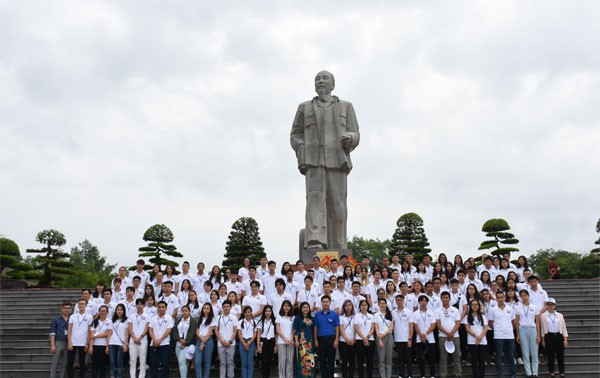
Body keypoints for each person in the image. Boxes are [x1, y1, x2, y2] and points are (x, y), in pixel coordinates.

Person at [290, 70, 360, 250]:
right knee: (314, 200)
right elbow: (295, 135)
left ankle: (339, 243)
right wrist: (302, 149)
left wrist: (350, 138)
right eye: (317, 79)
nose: (320, 81)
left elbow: (355, 132)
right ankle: (315, 240)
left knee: (338, 203)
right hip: (313, 160)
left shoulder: (345, 106)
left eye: (324, 78)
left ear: (332, 84)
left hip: (337, 159)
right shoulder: (304, 107)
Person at [488, 291, 517, 378]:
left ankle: (513, 374)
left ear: (504, 298)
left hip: (509, 335)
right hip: (498, 335)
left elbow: (513, 322)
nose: (500, 299)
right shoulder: (493, 310)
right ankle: (500, 374)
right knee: (499, 355)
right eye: (498, 297)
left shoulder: (510, 309)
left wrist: (509, 329)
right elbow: (490, 322)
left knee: (511, 356)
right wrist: (496, 329)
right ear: (496, 299)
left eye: (502, 297)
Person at [436, 291, 462, 378]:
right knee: (443, 358)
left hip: (455, 336)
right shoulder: (438, 310)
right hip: (442, 336)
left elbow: (458, 323)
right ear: (441, 299)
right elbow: (438, 324)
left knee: (457, 357)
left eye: (447, 297)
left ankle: (458, 374)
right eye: (443, 297)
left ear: (450, 299)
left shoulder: (455, 310)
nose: (445, 299)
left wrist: (452, 333)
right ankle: (443, 375)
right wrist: (447, 333)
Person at [515, 290, 541, 378]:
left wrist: (538, 335)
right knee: (525, 353)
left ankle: (535, 373)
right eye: (522, 296)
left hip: (533, 329)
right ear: (520, 297)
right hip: (523, 330)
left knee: (534, 353)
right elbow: (517, 322)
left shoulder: (535, 307)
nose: (524, 297)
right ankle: (529, 373)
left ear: (528, 296)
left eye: (525, 295)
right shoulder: (518, 308)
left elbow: (537, 322)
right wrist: (518, 335)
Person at [540, 298, 568, 377]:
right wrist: (543, 339)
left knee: (560, 355)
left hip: (559, 336)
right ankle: (551, 372)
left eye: (552, 304)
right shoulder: (543, 316)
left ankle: (562, 372)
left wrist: (565, 338)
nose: (550, 306)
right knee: (550, 355)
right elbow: (542, 328)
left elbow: (563, 327)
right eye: (549, 304)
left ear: (555, 305)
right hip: (549, 336)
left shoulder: (560, 315)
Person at [314, 295, 340, 378]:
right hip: (321, 340)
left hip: (331, 339)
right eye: (323, 302)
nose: (325, 303)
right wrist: (315, 340)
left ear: (330, 303)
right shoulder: (317, 315)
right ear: (321, 303)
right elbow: (315, 328)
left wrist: (336, 340)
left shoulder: (334, 315)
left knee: (331, 361)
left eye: (327, 302)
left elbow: (337, 328)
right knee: (322, 361)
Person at [412, 295, 436, 378]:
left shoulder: (431, 313)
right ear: (419, 302)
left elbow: (433, 325)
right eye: (422, 301)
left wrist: (425, 334)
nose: (423, 302)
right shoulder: (415, 313)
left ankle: (432, 375)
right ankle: (423, 375)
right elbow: (415, 326)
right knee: (421, 358)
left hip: (430, 339)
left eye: (425, 301)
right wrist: (421, 335)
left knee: (432, 358)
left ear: (427, 302)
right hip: (419, 339)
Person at [148, 301, 174, 378]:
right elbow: (150, 330)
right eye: (159, 307)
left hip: (165, 344)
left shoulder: (169, 318)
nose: (161, 309)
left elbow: (169, 330)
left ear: (166, 308)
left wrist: (160, 340)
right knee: (153, 363)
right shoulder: (153, 318)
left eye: (163, 307)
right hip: (154, 344)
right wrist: (154, 339)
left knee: (165, 363)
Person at [68, 298, 91, 378]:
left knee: (82, 362)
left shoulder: (89, 317)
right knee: (70, 362)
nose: (81, 305)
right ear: (77, 305)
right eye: (80, 304)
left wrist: (87, 343)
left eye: (83, 304)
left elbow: (89, 331)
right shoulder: (72, 316)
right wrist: (69, 342)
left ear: (86, 305)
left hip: (83, 342)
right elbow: (69, 330)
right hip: (73, 342)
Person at [173, 305, 197, 378]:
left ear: (189, 311)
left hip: (187, 345)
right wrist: (179, 339)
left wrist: (185, 342)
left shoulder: (193, 321)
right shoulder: (179, 320)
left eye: (186, 311)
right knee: (182, 363)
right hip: (178, 344)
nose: (184, 312)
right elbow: (174, 332)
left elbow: (192, 333)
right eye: (183, 311)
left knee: (181, 361)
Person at [466, 299, 488, 378]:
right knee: (474, 360)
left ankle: (481, 376)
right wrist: (476, 336)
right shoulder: (467, 317)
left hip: (482, 341)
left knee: (481, 360)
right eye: (473, 305)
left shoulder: (483, 317)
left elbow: (485, 328)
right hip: (472, 341)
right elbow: (467, 328)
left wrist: (480, 337)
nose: (474, 306)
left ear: (479, 306)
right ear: (470, 306)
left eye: (476, 305)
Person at [127, 298, 149, 378]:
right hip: (132, 341)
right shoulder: (132, 316)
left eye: (141, 304)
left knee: (142, 361)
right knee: (132, 361)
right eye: (138, 304)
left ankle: (141, 376)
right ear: (136, 305)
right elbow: (129, 328)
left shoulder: (147, 316)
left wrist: (140, 338)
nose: (139, 306)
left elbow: (147, 328)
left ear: (144, 305)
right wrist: (134, 338)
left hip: (143, 341)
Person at [392, 294, 413, 378]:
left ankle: (410, 374)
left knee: (408, 358)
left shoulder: (408, 312)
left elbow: (411, 326)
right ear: (395, 301)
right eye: (397, 300)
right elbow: (392, 325)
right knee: (400, 358)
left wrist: (410, 339)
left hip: (406, 338)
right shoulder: (393, 312)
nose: (399, 301)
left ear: (403, 301)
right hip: (397, 339)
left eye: (400, 300)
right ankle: (401, 374)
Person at [293, 301, 316, 378]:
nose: (305, 309)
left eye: (307, 307)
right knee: (301, 359)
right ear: (301, 309)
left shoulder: (311, 318)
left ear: (309, 309)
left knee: (310, 358)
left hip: (310, 343)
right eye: (304, 307)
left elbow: (314, 330)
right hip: (301, 342)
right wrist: (296, 340)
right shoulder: (298, 318)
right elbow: (294, 330)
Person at [215, 300, 237, 378]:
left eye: (228, 306)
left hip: (231, 343)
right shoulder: (218, 317)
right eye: (224, 306)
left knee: (230, 363)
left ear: (230, 307)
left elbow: (235, 331)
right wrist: (221, 341)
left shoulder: (234, 317)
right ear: (222, 308)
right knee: (222, 363)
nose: (226, 308)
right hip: (220, 343)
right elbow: (216, 330)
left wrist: (230, 341)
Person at [88, 305, 111, 378]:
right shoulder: (94, 321)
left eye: (104, 311)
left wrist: (96, 336)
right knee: (94, 365)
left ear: (107, 312)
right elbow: (91, 334)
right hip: (95, 345)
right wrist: (90, 347)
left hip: (104, 346)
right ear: (99, 312)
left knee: (102, 365)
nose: (102, 312)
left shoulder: (109, 321)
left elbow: (108, 334)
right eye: (101, 311)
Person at [50, 301, 71, 378]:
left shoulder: (72, 318)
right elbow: (52, 332)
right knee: (55, 363)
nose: (66, 310)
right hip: (58, 342)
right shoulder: (56, 319)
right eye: (65, 308)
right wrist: (52, 345)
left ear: (71, 309)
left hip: (68, 342)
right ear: (61, 309)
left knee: (64, 363)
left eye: (68, 308)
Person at [354, 299, 375, 378]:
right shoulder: (356, 316)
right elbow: (357, 328)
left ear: (368, 306)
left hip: (370, 340)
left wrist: (367, 337)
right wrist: (364, 338)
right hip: (360, 340)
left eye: (365, 305)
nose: (363, 306)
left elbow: (373, 328)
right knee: (360, 361)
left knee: (370, 361)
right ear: (359, 306)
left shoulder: (371, 316)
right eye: (362, 305)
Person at [374, 298, 394, 378]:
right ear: (378, 305)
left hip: (389, 336)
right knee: (381, 359)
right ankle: (383, 376)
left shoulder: (390, 314)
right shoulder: (376, 315)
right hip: (380, 337)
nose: (382, 305)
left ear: (386, 304)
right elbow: (376, 328)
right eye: (380, 303)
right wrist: (380, 339)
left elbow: (391, 327)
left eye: (383, 303)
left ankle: (388, 376)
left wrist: (384, 334)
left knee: (389, 359)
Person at [195, 303, 216, 378]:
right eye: (204, 308)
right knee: (197, 362)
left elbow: (210, 331)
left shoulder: (212, 319)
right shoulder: (199, 319)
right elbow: (197, 331)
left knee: (207, 362)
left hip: (208, 340)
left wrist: (203, 342)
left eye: (207, 308)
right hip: (199, 340)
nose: (206, 310)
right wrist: (201, 340)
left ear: (210, 310)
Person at [107, 303, 128, 378]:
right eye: (118, 310)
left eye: (121, 310)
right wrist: (107, 345)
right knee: (112, 361)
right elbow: (110, 333)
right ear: (115, 311)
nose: (119, 311)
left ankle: (119, 376)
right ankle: (112, 375)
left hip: (121, 344)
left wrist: (125, 344)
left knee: (119, 362)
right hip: (112, 343)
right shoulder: (112, 321)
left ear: (123, 311)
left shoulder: (126, 320)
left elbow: (126, 333)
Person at [237, 306, 258, 378]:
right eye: (246, 312)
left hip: (251, 342)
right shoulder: (240, 322)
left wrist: (249, 343)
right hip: (242, 342)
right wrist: (244, 343)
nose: (247, 314)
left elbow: (255, 334)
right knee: (244, 363)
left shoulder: (255, 322)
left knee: (250, 362)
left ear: (251, 312)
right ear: (244, 313)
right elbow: (239, 333)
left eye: (249, 312)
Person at [276, 300, 295, 378]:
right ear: (282, 307)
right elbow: (278, 330)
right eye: (285, 306)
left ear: (290, 307)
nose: (286, 307)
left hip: (291, 342)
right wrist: (285, 339)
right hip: (281, 342)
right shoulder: (279, 316)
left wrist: (290, 339)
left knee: (290, 361)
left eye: (288, 306)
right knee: (281, 362)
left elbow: (294, 329)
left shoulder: (293, 317)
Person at [257, 305, 276, 378]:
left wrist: (275, 345)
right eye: (266, 311)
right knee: (264, 361)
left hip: (271, 342)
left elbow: (275, 334)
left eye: (269, 311)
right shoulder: (260, 322)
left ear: (271, 312)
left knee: (269, 361)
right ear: (264, 312)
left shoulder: (274, 321)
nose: (268, 313)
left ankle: (268, 375)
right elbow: (258, 335)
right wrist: (258, 346)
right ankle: (264, 376)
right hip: (263, 342)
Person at [338, 299, 356, 378]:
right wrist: (346, 339)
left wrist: (353, 339)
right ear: (343, 307)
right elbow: (341, 329)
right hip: (343, 341)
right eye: (346, 305)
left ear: (352, 306)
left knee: (352, 361)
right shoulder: (341, 317)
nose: (348, 307)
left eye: (349, 305)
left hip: (353, 341)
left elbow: (357, 329)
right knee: (344, 361)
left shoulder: (356, 317)